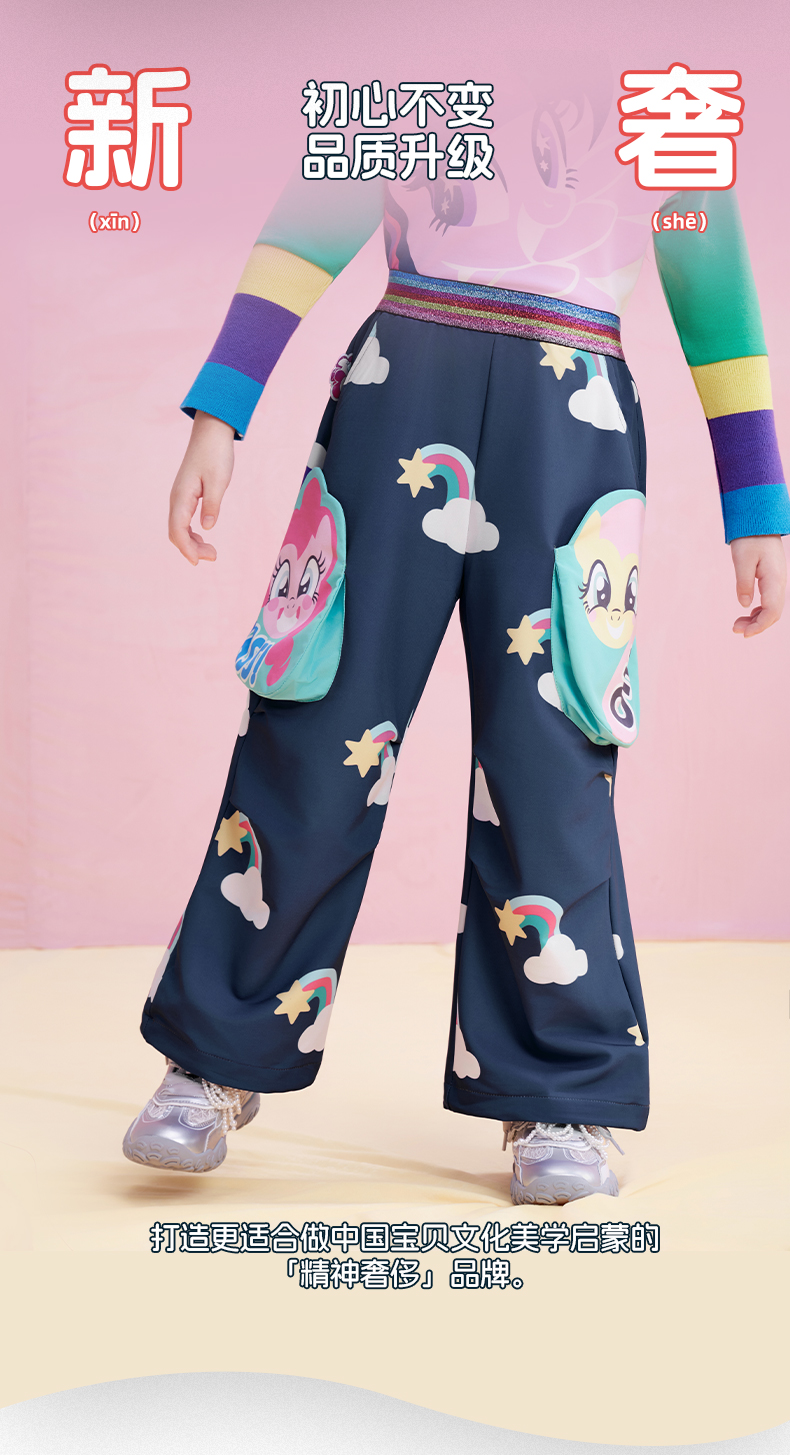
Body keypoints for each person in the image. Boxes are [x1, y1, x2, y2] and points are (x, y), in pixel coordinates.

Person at [123, 61, 787, 1204]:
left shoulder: (665, 80)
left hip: (571, 427)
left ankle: (558, 1092)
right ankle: (211, 1060)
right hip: (399, 385)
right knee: (311, 714)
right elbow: (313, 214)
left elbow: (710, 287)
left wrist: (757, 505)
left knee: (553, 757)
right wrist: (219, 410)